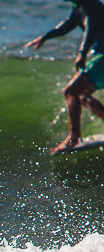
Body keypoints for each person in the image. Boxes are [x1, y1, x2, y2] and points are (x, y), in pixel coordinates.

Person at [26, 0, 104, 153]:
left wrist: (82, 54)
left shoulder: (88, 5)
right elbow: (66, 26)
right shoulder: (81, 6)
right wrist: (45, 37)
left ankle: (74, 138)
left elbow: (91, 27)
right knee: (82, 95)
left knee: (71, 91)